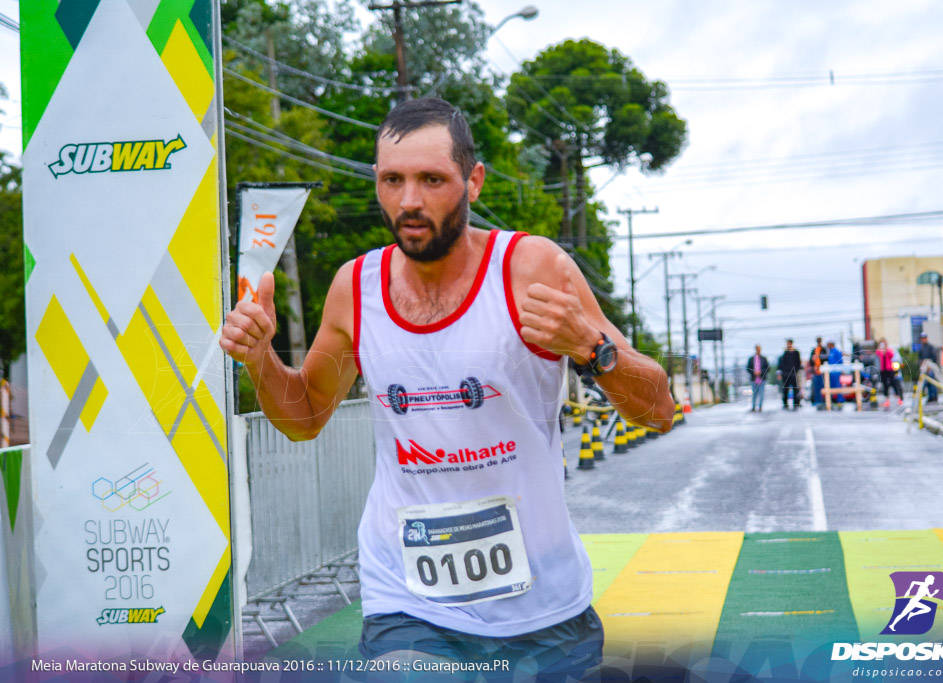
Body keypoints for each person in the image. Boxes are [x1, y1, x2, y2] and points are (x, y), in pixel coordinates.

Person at [220, 98, 674, 678]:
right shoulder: (354, 288)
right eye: (392, 180)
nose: (409, 201)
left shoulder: (531, 268)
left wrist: (593, 349)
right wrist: (261, 362)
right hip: (407, 602)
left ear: (473, 182)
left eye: (432, 179)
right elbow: (305, 415)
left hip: (545, 609)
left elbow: (658, 409)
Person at [876, 338, 903, 407]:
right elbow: (877, 353)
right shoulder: (879, 351)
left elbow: (892, 355)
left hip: (890, 369)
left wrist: (885, 350)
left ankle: (899, 398)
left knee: (894, 382)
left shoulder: (889, 350)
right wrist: (880, 349)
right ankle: (887, 399)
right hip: (883, 370)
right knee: (885, 384)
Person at [777, 339, 802, 409]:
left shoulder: (796, 353)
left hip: (793, 374)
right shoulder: (785, 353)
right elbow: (781, 364)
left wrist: (796, 371)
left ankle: (796, 403)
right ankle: (785, 404)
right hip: (786, 374)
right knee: (785, 390)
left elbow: (798, 363)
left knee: (795, 389)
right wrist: (781, 373)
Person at [746, 344, 770, 412]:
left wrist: (761, 372)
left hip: (762, 378)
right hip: (754, 379)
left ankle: (760, 407)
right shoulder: (751, 359)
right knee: (754, 393)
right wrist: (754, 372)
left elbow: (767, 368)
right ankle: (753, 406)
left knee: (761, 393)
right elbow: (748, 368)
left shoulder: (764, 359)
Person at [918, 332, 939, 403]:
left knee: (932, 382)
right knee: (926, 383)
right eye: (922, 338)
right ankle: (930, 397)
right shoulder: (921, 348)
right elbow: (920, 359)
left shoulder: (930, 347)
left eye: (924, 338)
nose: (923, 340)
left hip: (930, 367)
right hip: (924, 368)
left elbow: (934, 357)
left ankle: (934, 396)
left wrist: (930, 366)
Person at [808, 337, 828, 407]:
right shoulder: (814, 350)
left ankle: (824, 400)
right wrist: (813, 365)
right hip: (816, 372)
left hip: (823, 372)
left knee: (824, 386)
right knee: (816, 387)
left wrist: (819, 356)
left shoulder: (824, 349)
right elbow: (810, 360)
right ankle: (817, 401)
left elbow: (826, 357)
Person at [826, 340, 844, 405]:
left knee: (837, 385)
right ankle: (832, 399)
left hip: (836, 371)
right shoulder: (829, 352)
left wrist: (841, 369)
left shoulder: (836, 351)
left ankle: (840, 399)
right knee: (831, 386)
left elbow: (840, 361)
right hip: (831, 372)